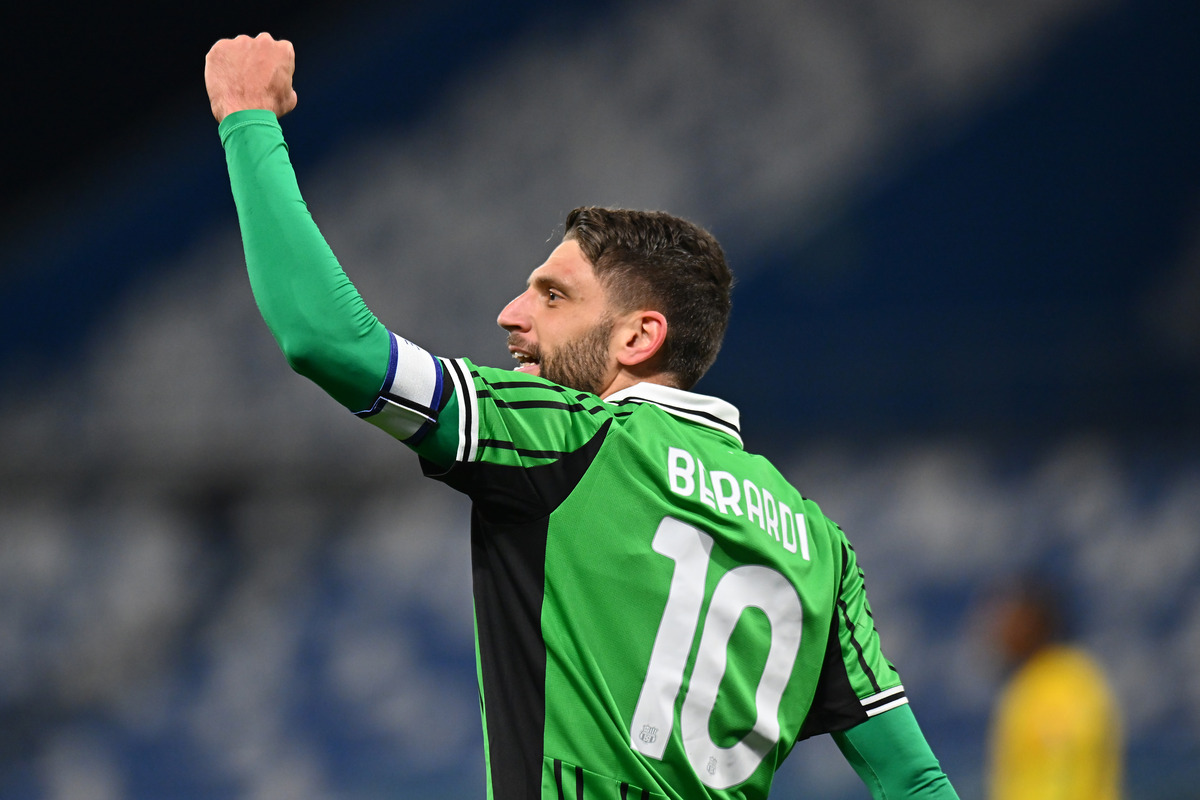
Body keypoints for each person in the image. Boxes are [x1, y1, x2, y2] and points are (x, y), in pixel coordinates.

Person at [205, 32, 959, 800]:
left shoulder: (573, 438)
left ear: (639, 336)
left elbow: (327, 341)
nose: (510, 315)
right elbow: (915, 780)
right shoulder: (820, 549)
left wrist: (246, 117)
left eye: (552, 295)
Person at [985, 579, 1123, 800]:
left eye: (1012, 619)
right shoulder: (1029, 683)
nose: (1001, 630)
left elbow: (1065, 768)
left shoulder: (1062, 683)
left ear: (1035, 622)